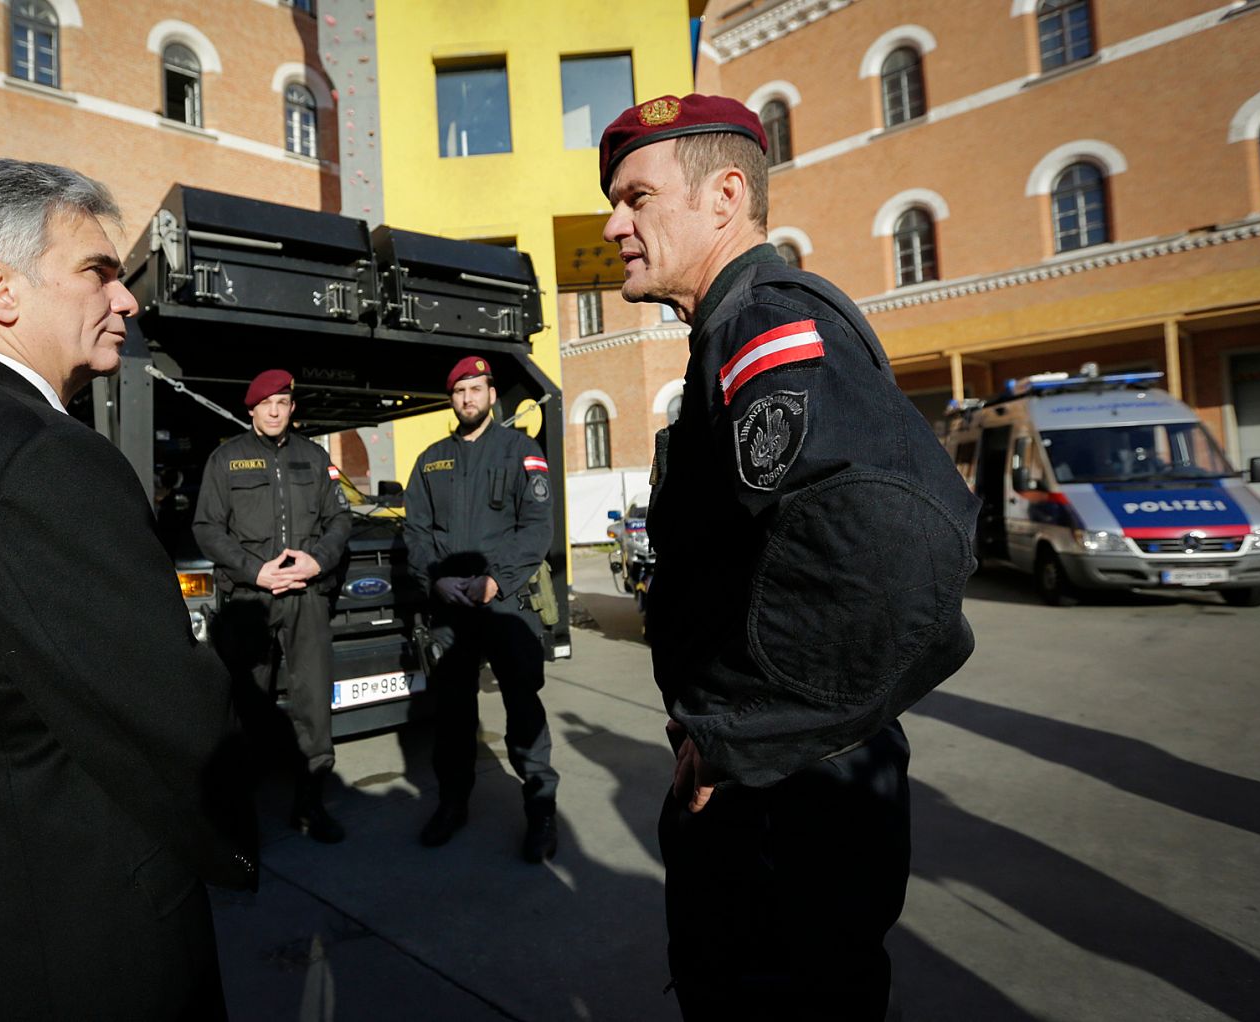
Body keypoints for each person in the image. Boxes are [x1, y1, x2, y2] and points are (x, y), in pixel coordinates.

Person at [0, 158, 255, 1020]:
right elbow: (173, 723)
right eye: (98, 272)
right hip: (81, 947)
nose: (128, 299)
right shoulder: (41, 457)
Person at [598, 95, 981, 1019]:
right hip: (783, 780)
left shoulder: (764, 323)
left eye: (636, 198)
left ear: (725, 196)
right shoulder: (725, 332)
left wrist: (743, 739)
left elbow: (885, 556)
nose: (614, 225)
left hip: (788, 798)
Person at [403, 356, 560, 863]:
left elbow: (537, 527)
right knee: (452, 716)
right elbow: (416, 533)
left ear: (492, 394)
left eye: (476, 388)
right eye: (459, 391)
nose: (468, 398)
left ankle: (540, 812)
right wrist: (436, 578)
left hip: (506, 605)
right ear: (451, 400)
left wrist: (497, 578)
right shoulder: (430, 461)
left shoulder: (521, 452)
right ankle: (453, 804)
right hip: (451, 610)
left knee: (523, 711)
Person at [193, 370, 353, 844]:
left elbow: (340, 519)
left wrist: (316, 560)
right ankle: (240, 814)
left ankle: (309, 805)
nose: (276, 412)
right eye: (267, 405)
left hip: (306, 596)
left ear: (292, 407)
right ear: (252, 410)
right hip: (252, 600)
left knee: (312, 702)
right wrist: (253, 570)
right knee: (247, 702)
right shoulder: (226, 460)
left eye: (283, 403)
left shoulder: (314, 457)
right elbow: (207, 527)